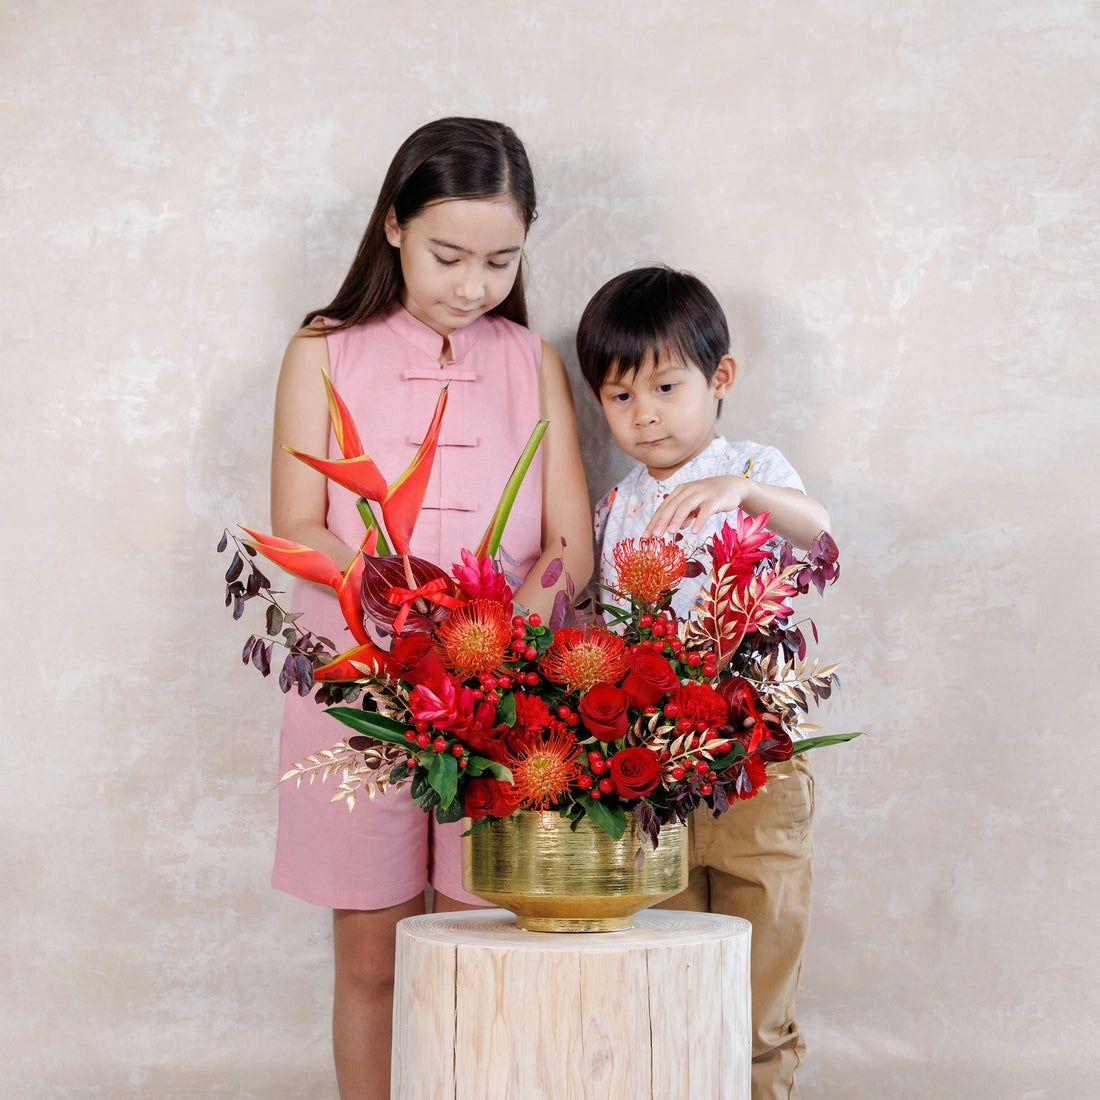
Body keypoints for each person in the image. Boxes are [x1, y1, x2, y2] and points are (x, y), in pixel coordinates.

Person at [269, 117, 592, 1100]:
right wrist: (402, 625)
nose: (472, 284)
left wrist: (493, 644)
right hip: (356, 692)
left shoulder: (527, 357)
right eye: (449, 254)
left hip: (498, 697)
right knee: (371, 957)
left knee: (476, 949)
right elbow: (296, 522)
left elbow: (566, 544)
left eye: (500, 260)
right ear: (394, 225)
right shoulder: (322, 350)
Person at [576, 265, 830, 1100]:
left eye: (665, 385)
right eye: (618, 397)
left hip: (758, 767)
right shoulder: (617, 508)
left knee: (757, 1004)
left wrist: (745, 489)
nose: (643, 413)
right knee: (671, 991)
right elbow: (606, 628)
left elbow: (820, 536)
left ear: (719, 379)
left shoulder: (753, 466)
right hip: (661, 781)